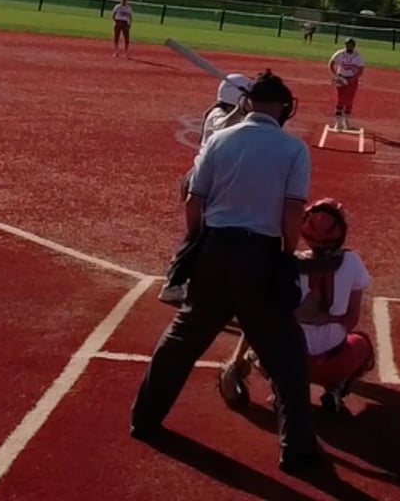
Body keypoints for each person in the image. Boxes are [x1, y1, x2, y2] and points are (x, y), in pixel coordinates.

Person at [130, 70, 322, 475]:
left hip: (214, 249)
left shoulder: (219, 139)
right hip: (262, 254)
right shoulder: (293, 149)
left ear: (247, 102)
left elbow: (193, 200)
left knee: (182, 339)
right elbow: (292, 213)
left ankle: (144, 419)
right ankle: (296, 450)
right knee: (286, 356)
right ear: (284, 108)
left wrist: (198, 242)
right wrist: (286, 254)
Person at [218, 198, 374, 419]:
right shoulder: (353, 262)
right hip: (331, 365)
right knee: (362, 344)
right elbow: (351, 319)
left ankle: (276, 386)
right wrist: (329, 319)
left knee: (261, 330)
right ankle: (335, 389)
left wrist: (237, 360)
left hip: (287, 364)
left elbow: (258, 317)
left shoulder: (285, 263)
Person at [158, 72, 257, 308]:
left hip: (216, 185)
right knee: (197, 235)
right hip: (202, 184)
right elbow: (223, 128)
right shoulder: (217, 114)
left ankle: (200, 283)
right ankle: (173, 284)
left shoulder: (238, 118)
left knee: (212, 235)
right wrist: (240, 110)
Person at [328, 39, 366, 129]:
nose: (349, 46)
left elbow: (361, 69)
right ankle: (338, 122)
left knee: (350, 99)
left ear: (354, 46)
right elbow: (331, 63)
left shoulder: (358, 56)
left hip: (352, 80)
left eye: (351, 45)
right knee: (340, 99)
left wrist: (354, 78)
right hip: (341, 79)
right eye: (347, 44)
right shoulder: (340, 54)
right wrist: (335, 75)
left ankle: (346, 121)